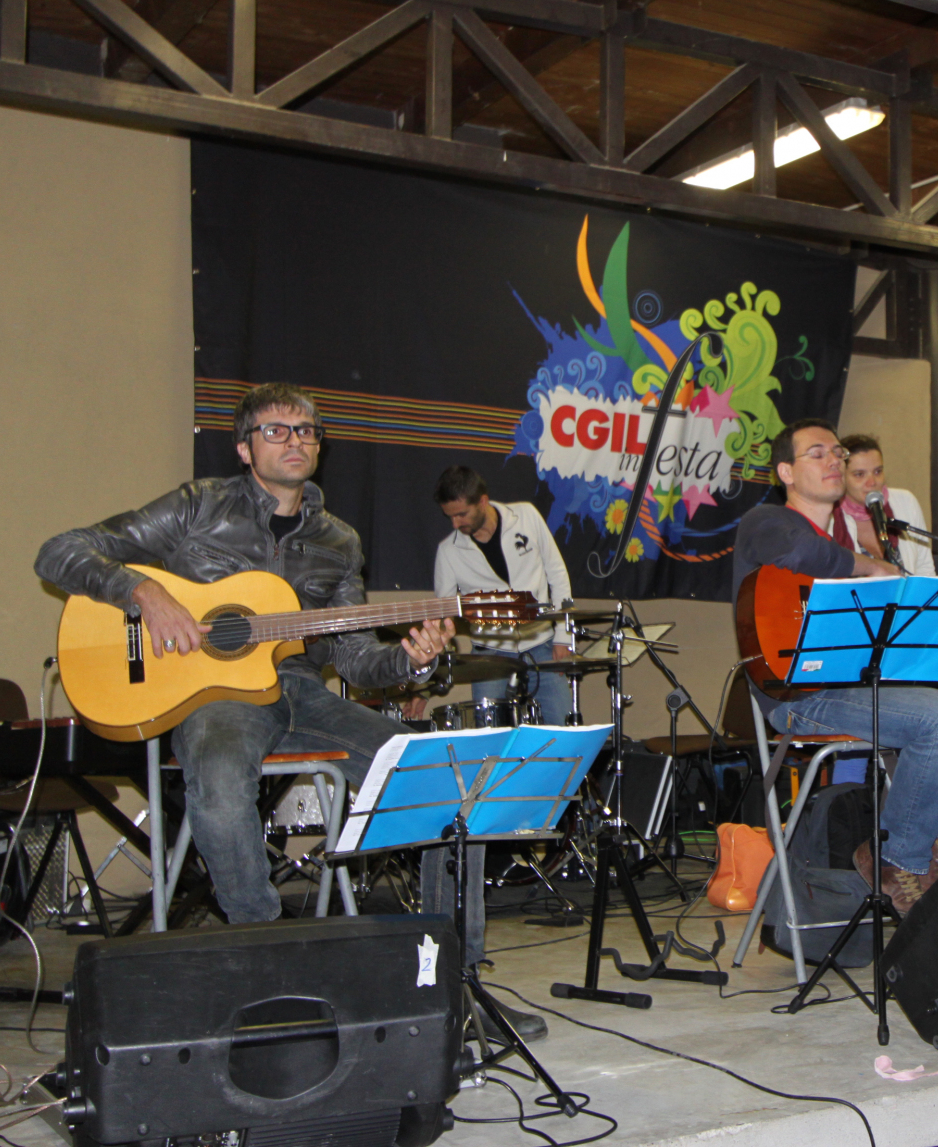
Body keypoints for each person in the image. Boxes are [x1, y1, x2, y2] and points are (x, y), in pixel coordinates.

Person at [34, 384, 540, 1041]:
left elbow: (355, 658)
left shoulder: (338, 541)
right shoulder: (198, 506)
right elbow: (60, 551)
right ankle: (268, 965)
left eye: (306, 431)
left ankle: (453, 984)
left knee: (448, 780)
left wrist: (409, 659)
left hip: (301, 693)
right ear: (245, 449)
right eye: (276, 431)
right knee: (219, 784)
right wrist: (144, 592)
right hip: (215, 696)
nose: (295, 440)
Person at [731, 418, 938, 914]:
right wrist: (869, 565)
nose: (834, 460)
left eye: (837, 453)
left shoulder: (846, 538)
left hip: (862, 681)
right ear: (785, 472)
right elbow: (799, 551)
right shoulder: (766, 523)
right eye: (818, 453)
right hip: (799, 695)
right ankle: (895, 859)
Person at [433, 465, 574, 719]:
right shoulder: (448, 551)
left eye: (462, 514)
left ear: (482, 501)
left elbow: (558, 574)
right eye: (449, 517)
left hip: (541, 643)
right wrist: (425, 682)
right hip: (489, 654)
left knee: (561, 727)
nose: (455, 523)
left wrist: (563, 637)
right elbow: (443, 616)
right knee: (492, 735)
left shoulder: (527, 516)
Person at [834, 433, 936, 576]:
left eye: (878, 471)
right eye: (859, 474)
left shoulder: (905, 501)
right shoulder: (829, 517)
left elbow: (925, 568)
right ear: (841, 476)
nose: (872, 482)